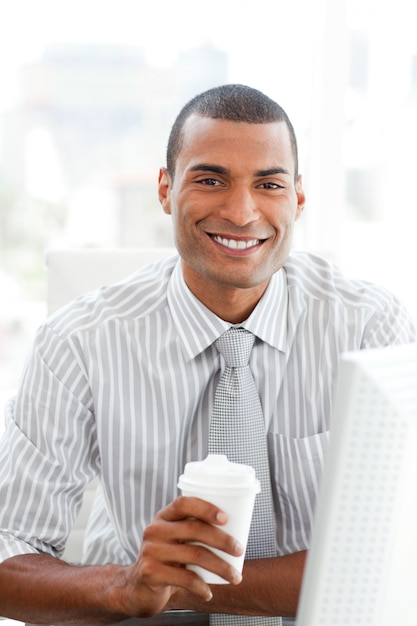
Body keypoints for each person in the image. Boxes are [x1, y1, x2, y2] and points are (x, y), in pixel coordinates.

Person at [0, 84, 415, 625]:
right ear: (165, 189)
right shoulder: (78, 341)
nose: (242, 213)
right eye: (210, 179)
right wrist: (127, 586)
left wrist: (182, 587)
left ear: (298, 198)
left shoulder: (373, 330)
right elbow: (9, 554)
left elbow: (392, 559)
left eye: (268, 184)